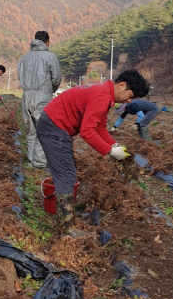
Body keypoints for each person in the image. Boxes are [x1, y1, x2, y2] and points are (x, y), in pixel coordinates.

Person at [36, 70, 149, 227]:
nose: (129, 101)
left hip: (56, 126)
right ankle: (68, 228)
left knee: (67, 172)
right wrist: (109, 151)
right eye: (130, 96)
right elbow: (87, 131)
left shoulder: (105, 93)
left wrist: (114, 144)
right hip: (53, 127)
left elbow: (100, 127)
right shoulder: (102, 96)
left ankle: (69, 216)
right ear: (121, 85)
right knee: (67, 175)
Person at [17, 31, 62, 170]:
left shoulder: (24, 58)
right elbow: (56, 78)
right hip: (43, 96)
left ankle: (31, 160)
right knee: (44, 130)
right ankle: (40, 163)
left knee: (30, 130)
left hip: (27, 96)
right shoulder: (50, 57)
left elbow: (20, 77)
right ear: (47, 42)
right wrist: (50, 91)